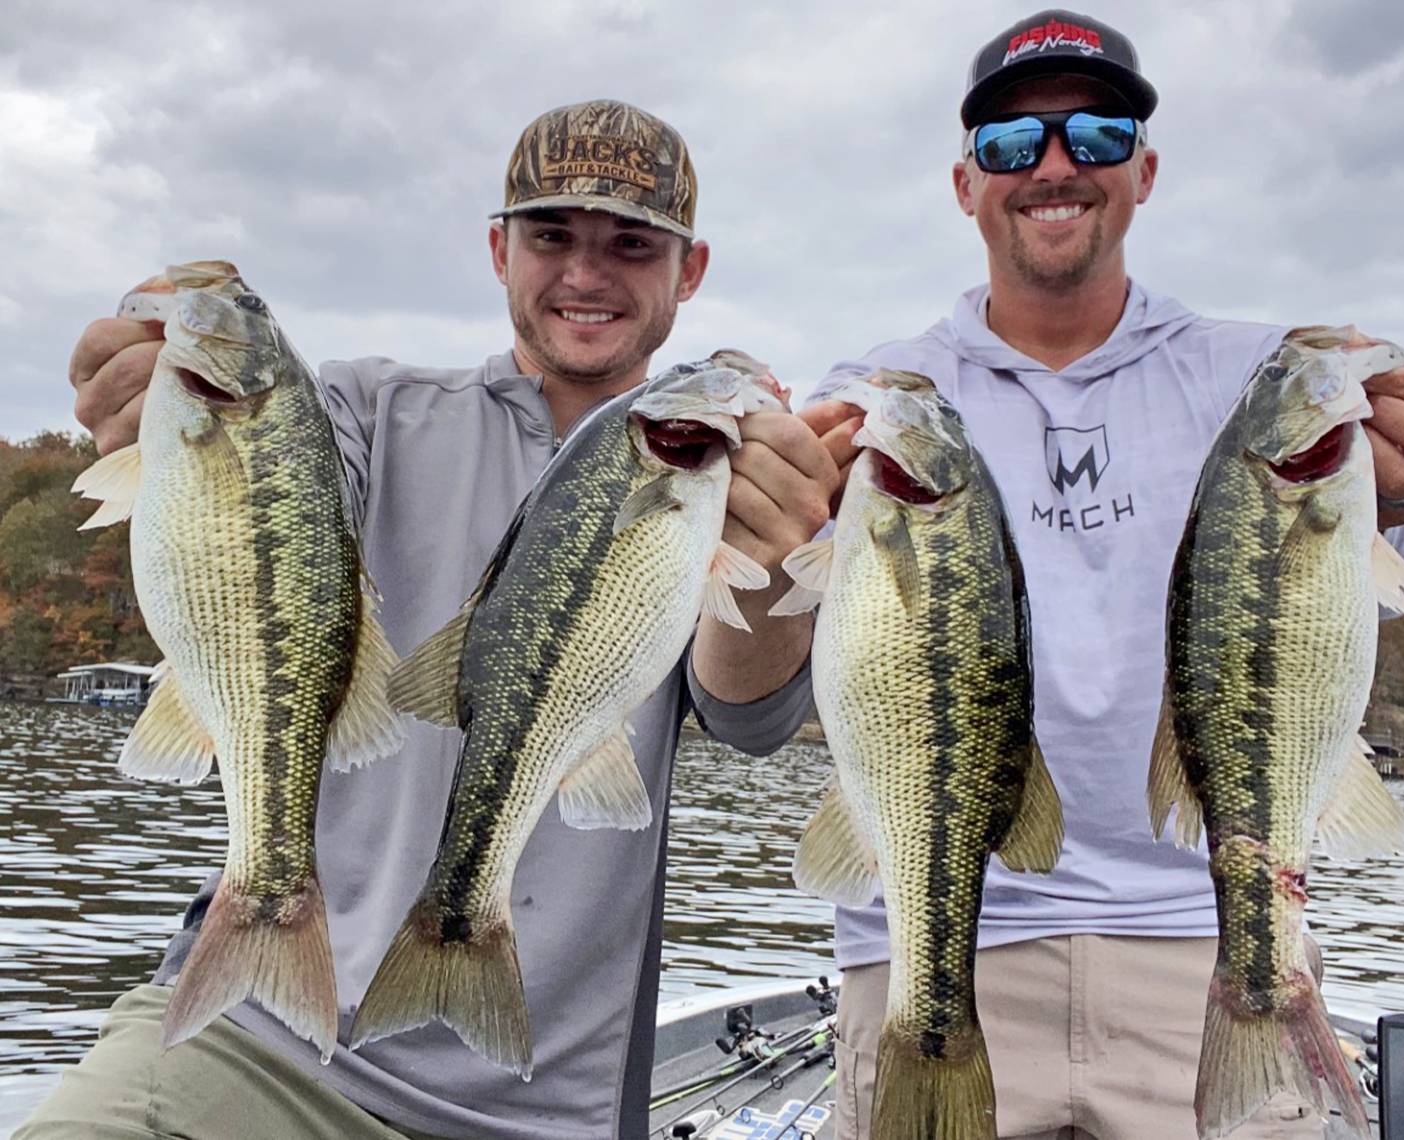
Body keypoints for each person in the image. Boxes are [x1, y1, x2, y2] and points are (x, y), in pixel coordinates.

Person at [21, 99, 853, 1140]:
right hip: (255, 1040)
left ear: (689, 270)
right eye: (553, 236)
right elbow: (263, 539)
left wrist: (774, 567)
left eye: (631, 245)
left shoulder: (715, 470)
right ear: (498, 249)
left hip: (540, 1106)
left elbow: (749, 718)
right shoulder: (367, 407)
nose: (587, 274)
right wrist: (167, 421)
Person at [727, 10, 1404, 1139]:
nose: (1056, 164)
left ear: (1146, 168)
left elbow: (1365, 594)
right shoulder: (875, 400)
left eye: (1097, 129)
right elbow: (746, 700)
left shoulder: (1257, 374)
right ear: (966, 183)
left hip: (1206, 937)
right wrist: (761, 542)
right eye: (1012, 144)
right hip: (934, 943)